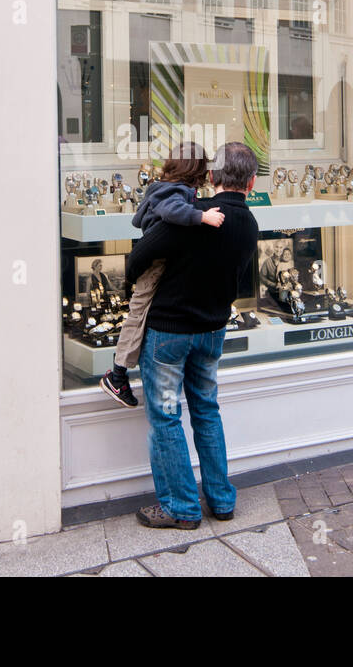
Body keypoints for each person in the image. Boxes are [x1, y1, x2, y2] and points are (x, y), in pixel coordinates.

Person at [123, 141, 260, 530]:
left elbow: (138, 258)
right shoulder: (249, 223)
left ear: (212, 177)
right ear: (251, 183)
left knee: (166, 418)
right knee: (206, 410)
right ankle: (221, 498)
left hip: (169, 333)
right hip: (212, 332)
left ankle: (181, 507)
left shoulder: (193, 215)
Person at [100, 143, 224, 408]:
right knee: (139, 310)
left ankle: (121, 370)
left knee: (142, 311)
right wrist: (201, 217)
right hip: (154, 263)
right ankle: (117, 374)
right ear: (195, 170)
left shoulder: (168, 189)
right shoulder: (173, 193)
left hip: (161, 265)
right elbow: (172, 212)